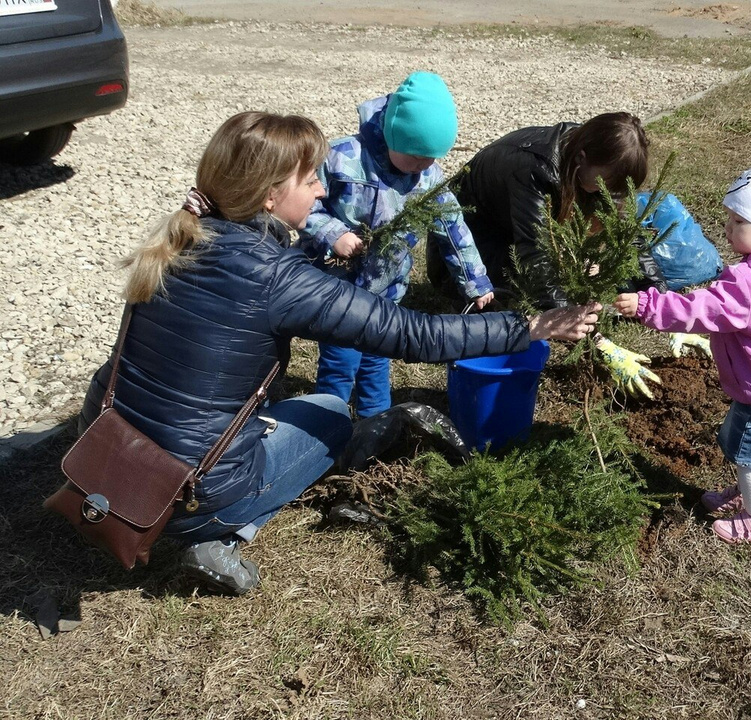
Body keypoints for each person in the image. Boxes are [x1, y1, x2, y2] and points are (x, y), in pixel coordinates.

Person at [78, 111, 600, 595]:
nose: (322, 189)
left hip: (101, 459)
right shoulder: (277, 278)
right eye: (309, 181)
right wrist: (532, 326)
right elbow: (415, 335)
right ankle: (221, 534)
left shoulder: (179, 239)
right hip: (188, 496)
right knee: (330, 412)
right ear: (267, 196)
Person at [613, 160, 751, 545]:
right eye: (728, 218)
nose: (727, 228)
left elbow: (698, 310)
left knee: (750, 455)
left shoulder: (746, 283)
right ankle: (748, 495)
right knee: (748, 448)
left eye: (739, 222)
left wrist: (647, 305)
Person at [301, 71, 494, 418]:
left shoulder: (428, 179)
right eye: (414, 156)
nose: (422, 166)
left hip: (387, 291)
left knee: (377, 359)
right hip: (337, 290)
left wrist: (475, 281)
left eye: (430, 158)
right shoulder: (342, 158)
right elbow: (303, 206)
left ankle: (377, 421)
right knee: (340, 361)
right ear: (392, 134)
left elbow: (453, 229)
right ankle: (325, 421)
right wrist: (333, 233)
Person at [426, 111, 658, 310]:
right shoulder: (535, 170)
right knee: (528, 292)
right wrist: (566, 318)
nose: (608, 192)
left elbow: (627, 233)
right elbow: (535, 253)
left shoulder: (596, 158)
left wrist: (658, 297)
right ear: (581, 157)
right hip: (468, 249)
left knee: (610, 279)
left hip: (512, 232)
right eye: (605, 183)